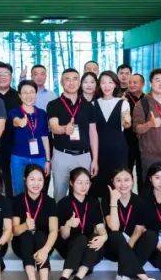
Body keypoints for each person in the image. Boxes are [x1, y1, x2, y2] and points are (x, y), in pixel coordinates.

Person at [102, 168, 161, 280]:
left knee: (151, 235)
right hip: (113, 247)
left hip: (131, 245)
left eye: (127, 180)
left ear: (133, 181)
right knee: (116, 235)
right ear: (113, 182)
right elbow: (114, 227)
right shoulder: (107, 200)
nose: (123, 184)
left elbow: (138, 230)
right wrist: (113, 201)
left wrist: (128, 247)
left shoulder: (140, 201)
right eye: (118, 180)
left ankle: (123, 275)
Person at [52, 168, 107, 280]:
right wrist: (68, 224)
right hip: (68, 246)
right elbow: (63, 235)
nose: (84, 186)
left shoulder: (93, 202)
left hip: (86, 248)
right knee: (81, 239)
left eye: (87, 183)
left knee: (95, 239)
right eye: (79, 182)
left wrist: (104, 237)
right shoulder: (63, 203)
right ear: (71, 183)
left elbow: (100, 227)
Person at [47, 68, 99, 200]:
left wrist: (95, 160)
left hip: (84, 156)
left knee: (82, 195)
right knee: (59, 194)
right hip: (62, 155)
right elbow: (54, 127)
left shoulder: (88, 106)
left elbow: (93, 133)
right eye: (67, 79)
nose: (71, 82)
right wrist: (64, 129)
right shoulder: (53, 104)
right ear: (61, 82)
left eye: (75, 79)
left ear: (79, 82)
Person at [10, 164, 58, 280]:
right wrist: (25, 226)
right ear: (25, 180)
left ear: (44, 181)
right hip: (21, 245)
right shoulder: (17, 200)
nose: (36, 183)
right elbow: (15, 231)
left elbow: (54, 231)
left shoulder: (50, 202)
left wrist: (45, 250)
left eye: (40, 179)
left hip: (43, 245)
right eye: (32, 179)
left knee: (41, 235)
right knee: (26, 236)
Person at [90, 71, 130, 201]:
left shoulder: (123, 103)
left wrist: (127, 121)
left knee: (118, 182)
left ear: (115, 85)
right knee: (98, 184)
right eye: (103, 82)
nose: (106, 86)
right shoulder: (93, 104)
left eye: (110, 82)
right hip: (98, 150)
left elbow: (127, 123)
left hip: (118, 150)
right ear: (99, 85)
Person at [8, 81, 51, 195]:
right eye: (25, 92)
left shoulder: (42, 113)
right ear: (19, 95)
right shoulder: (14, 111)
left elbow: (45, 138)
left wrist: (47, 160)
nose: (29, 95)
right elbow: (16, 121)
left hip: (39, 157)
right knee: (19, 189)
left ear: (36, 94)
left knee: (38, 189)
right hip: (19, 157)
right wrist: (20, 122)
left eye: (32, 92)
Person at [0, 61, 19, 193]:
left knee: (11, 179)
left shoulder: (18, 96)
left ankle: (11, 204)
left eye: (6, 74)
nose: (3, 77)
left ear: (11, 76)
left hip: (14, 144)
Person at [123, 73, 145, 183]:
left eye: (135, 82)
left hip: (144, 141)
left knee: (142, 172)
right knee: (127, 171)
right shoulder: (123, 99)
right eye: (130, 82)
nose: (132, 85)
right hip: (127, 141)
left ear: (143, 84)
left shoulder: (147, 99)